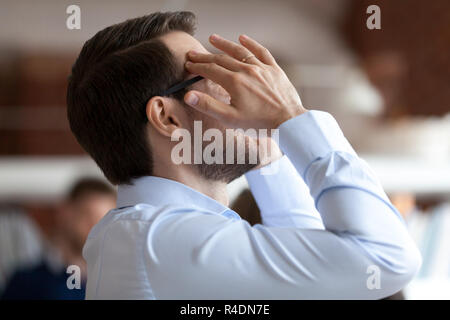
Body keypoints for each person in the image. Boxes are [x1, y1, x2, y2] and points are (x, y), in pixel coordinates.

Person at [66, 11, 421, 299]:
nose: (236, 85)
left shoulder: (150, 236)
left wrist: (268, 151)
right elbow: (385, 259)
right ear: (167, 117)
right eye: (209, 72)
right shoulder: (158, 240)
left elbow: (315, 283)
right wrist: (290, 116)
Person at [1, 178, 116, 300]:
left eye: (104, 221)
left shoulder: (119, 284)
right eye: (88, 215)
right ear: (65, 213)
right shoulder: (26, 282)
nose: (96, 227)